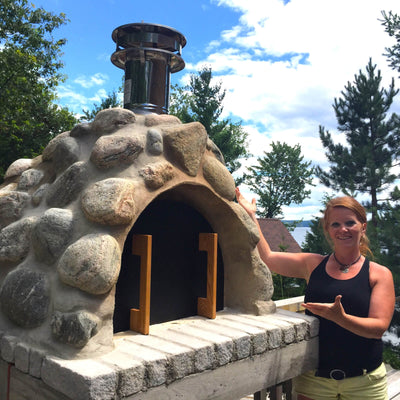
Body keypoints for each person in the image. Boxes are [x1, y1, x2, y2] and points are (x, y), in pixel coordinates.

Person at [235, 187, 395, 400]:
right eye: (335, 224)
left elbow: (378, 328)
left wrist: (341, 318)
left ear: (362, 227)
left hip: (364, 384)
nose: (343, 229)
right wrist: (250, 215)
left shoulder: (379, 274)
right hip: (314, 381)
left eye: (350, 223)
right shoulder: (312, 264)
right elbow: (268, 257)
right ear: (328, 230)